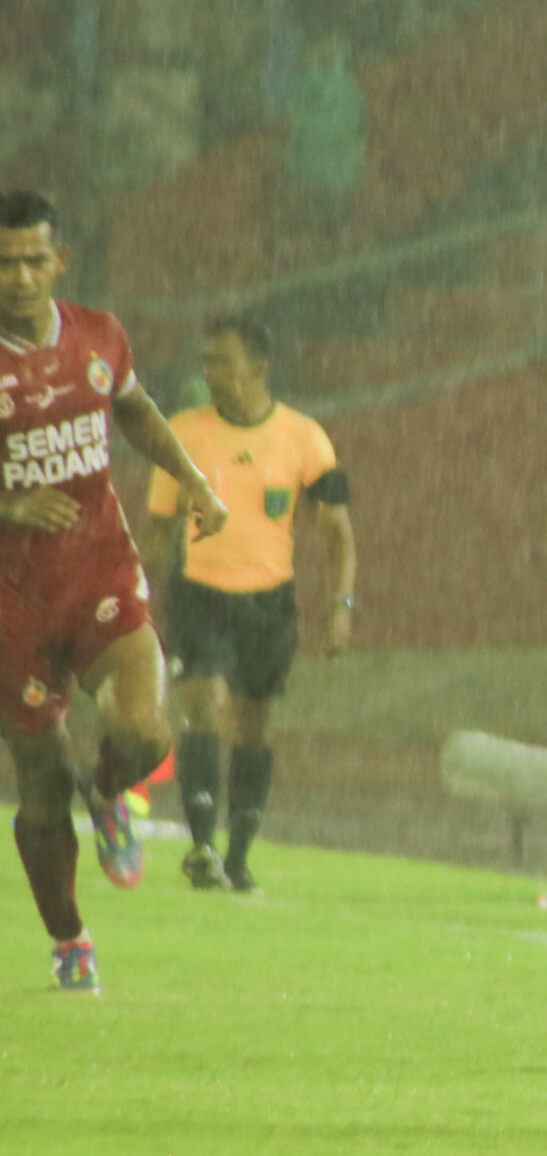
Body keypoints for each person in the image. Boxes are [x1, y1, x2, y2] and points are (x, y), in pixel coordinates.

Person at [0, 190, 228, 990]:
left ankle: (108, 795)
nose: (20, 275)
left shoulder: (99, 335)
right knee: (38, 778)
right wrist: (8, 502)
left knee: (144, 731)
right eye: (6, 261)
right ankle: (69, 940)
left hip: (99, 568)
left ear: (60, 261)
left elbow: (132, 411)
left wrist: (191, 478)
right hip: (12, 602)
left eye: (34, 258)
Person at [137, 314, 355, 894]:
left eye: (222, 361)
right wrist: (127, 590)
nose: (210, 373)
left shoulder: (304, 438)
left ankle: (239, 853)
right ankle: (203, 844)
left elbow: (336, 531)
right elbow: (158, 529)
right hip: (200, 595)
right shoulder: (182, 432)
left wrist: (343, 603)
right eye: (205, 361)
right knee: (204, 705)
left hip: (269, 603)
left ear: (258, 368)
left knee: (255, 726)